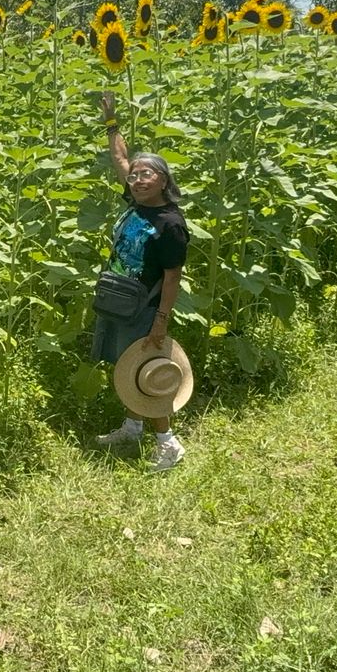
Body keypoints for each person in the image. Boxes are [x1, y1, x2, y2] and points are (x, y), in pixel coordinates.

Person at [92, 93, 190, 470]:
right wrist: (111, 122)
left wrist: (161, 321)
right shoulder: (136, 204)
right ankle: (133, 426)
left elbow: (172, 277)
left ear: (163, 180)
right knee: (125, 364)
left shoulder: (170, 223)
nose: (136, 179)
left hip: (145, 306)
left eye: (145, 174)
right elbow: (120, 158)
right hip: (119, 298)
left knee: (148, 369)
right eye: (134, 176)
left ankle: (167, 441)